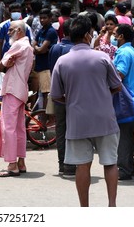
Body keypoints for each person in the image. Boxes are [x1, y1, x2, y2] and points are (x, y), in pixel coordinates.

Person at [51, 15, 122, 207]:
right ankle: (112, 205)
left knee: (82, 165)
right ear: (86, 35)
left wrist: (72, 99)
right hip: (104, 118)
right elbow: (117, 86)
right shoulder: (102, 57)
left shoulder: (62, 62)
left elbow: (56, 95)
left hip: (77, 121)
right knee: (110, 163)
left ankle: (84, 209)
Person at [0, 20, 34, 177]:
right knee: (19, 128)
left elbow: (2, 64)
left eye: (11, 30)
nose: (8, 33)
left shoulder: (18, 45)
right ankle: (21, 162)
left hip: (12, 89)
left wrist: (5, 63)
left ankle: (12, 165)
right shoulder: (28, 47)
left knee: (8, 128)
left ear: (19, 30)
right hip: (21, 89)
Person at [48, 18, 76, 176]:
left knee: (61, 129)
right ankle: (72, 164)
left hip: (58, 94)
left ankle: (62, 164)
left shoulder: (55, 48)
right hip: (74, 95)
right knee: (74, 130)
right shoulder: (76, 49)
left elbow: (52, 71)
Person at [113, 24, 134, 180]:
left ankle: (123, 169)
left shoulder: (123, 52)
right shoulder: (132, 51)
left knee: (122, 137)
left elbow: (118, 75)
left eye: (116, 34)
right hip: (131, 98)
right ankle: (128, 168)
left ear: (121, 36)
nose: (114, 37)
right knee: (127, 136)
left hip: (123, 100)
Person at [32, 8, 58, 110]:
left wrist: (38, 48)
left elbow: (41, 49)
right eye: (41, 18)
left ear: (50, 18)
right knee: (39, 92)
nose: (42, 20)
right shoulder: (41, 30)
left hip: (46, 66)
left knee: (46, 93)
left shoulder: (51, 32)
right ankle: (39, 113)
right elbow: (33, 46)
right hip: (39, 65)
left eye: (45, 18)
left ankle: (46, 116)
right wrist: (38, 48)